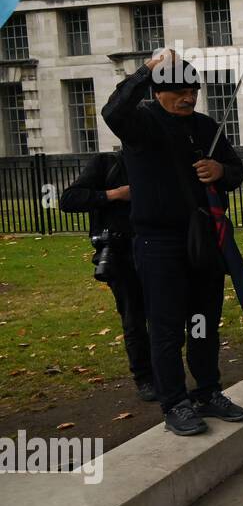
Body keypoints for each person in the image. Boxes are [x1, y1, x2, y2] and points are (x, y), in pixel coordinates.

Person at [101, 49, 243, 436]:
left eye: (193, 90)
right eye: (179, 91)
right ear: (158, 91)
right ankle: (175, 403)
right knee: (166, 328)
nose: (188, 97)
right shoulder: (141, 123)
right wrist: (146, 69)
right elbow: (113, 111)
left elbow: (235, 171)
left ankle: (207, 391)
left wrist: (220, 170)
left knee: (202, 321)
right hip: (159, 243)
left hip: (203, 241)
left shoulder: (205, 127)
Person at [59, 151, 155, 402]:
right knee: (134, 318)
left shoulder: (159, 160)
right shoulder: (106, 164)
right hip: (121, 254)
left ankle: (166, 372)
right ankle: (145, 378)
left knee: (165, 319)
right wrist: (114, 194)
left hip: (157, 252)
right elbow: (69, 199)